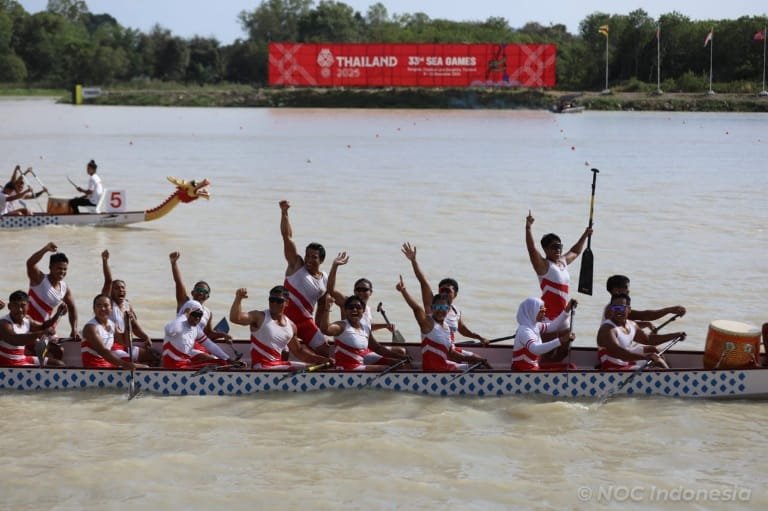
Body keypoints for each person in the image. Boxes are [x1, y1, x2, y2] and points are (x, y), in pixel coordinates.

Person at [400, 242, 487, 346]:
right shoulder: (432, 304)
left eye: (448, 291)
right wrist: (413, 261)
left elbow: (463, 330)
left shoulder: (456, 311)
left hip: (450, 350)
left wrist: (480, 337)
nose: (444, 293)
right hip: (435, 349)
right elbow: (423, 281)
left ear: (455, 295)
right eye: (442, 290)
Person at [396, 275, 489, 371]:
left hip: (445, 365)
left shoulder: (446, 328)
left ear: (448, 310)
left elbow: (451, 354)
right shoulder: (427, 323)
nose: (440, 311)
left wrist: (474, 359)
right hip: (433, 370)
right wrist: (404, 291)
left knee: (482, 363)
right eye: (437, 307)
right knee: (480, 366)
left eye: (444, 308)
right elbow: (416, 309)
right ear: (432, 308)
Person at [229, 286, 330, 369]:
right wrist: (238, 298)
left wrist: (322, 360)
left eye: (279, 301)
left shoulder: (291, 326)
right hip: (261, 367)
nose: (274, 303)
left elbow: (299, 352)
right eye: (272, 300)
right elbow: (235, 318)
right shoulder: (259, 317)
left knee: (316, 367)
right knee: (300, 369)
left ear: (287, 303)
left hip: (278, 365)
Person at [278, 200, 331, 356]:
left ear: (321, 260)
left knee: (325, 351)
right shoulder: (296, 265)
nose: (308, 259)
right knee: (285, 353)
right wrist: (284, 213)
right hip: (284, 320)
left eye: (313, 257)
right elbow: (287, 237)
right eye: (307, 255)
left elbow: (321, 308)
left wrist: (321, 332)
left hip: (306, 322)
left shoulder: (325, 279)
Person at [169, 251, 238, 362]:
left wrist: (223, 335)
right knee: (215, 360)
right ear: (192, 292)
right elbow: (178, 283)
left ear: (207, 297)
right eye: (198, 290)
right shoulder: (185, 303)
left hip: (199, 345)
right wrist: (174, 264)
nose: (201, 293)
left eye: (204, 291)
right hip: (183, 345)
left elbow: (208, 334)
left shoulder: (208, 313)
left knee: (218, 359)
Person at [525, 210, 592, 320]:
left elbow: (575, 252)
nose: (558, 249)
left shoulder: (563, 261)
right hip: (548, 318)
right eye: (554, 247)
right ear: (545, 249)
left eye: (559, 246)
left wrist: (585, 234)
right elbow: (531, 249)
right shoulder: (543, 266)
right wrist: (528, 228)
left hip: (563, 315)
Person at [317, 294, 408, 371]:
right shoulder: (342, 326)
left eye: (358, 307)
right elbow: (325, 329)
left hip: (361, 362)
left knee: (398, 363)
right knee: (384, 368)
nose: (354, 310)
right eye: (351, 307)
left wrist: (400, 357)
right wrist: (327, 308)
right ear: (345, 310)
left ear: (363, 310)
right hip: (346, 368)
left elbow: (377, 348)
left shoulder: (365, 325)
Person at [596, 294, 686, 370]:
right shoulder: (607, 329)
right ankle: (668, 378)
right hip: (612, 367)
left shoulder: (631, 325)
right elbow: (621, 353)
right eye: (616, 308)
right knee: (653, 360)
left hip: (625, 361)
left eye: (622, 308)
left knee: (654, 352)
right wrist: (646, 357)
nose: (618, 311)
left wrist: (675, 335)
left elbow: (648, 340)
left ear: (629, 309)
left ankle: (668, 374)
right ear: (611, 309)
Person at [101, 250, 158, 365]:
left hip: (126, 345)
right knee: (132, 362)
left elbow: (135, 327)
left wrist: (145, 337)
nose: (121, 290)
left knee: (155, 356)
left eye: (123, 288)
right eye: (117, 288)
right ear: (111, 291)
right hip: (111, 346)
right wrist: (105, 261)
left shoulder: (127, 305)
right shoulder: (108, 303)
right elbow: (108, 281)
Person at [325, 251, 394, 333]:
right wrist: (335, 266)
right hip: (348, 341)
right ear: (354, 291)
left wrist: (384, 326)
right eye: (358, 290)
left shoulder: (367, 309)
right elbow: (330, 290)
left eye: (365, 290)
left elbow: (365, 327)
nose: (361, 292)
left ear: (371, 292)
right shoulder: (346, 302)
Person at [26, 242, 79, 342]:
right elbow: (30, 263)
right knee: (54, 352)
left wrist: (74, 329)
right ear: (50, 267)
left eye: (65, 269)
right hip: (29, 326)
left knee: (59, 352)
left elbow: (72, 308)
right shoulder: (39, 279)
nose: (62, 272)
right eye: (59, 268)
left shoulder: (64, 287)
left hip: (46, 327)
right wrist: (45, 249)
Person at [81, 295, 148, 370]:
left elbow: (126, 343)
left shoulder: (112, 324)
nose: (102, 309)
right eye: (98, 306)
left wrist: (127, 323)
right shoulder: (90, 328)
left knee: (146, 367)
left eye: (106, 306)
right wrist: (125, 364)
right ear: (94, 308)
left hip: (108, 365)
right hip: (94, 369)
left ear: (111, 309)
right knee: (144, 368)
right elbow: (104, 352)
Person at [0, 290, 65, 367]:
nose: (20, 310)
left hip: (22, 359)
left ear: (28, 306)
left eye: (22, 305)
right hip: (7, 363)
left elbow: (43, 326)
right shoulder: (4, 323)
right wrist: (42, 333)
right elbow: (16, 340)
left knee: (59, 364)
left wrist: (58, 314)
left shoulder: (27, 319)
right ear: (9, 306)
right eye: (16, 305)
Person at [511, 297, 576, 371]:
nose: (544, 314)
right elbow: (536, 349)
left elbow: (553, 326)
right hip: (522, 372)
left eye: (544, 310)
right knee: (569, 370)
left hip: (533, 369)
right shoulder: (524, 331)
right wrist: (561, 340)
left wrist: (567, 309)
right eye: (541, 311)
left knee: (571, 367)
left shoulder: (535, 326)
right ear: (532, 311)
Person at [161, 300, 230, 369]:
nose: (197, 318)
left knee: (222, 362)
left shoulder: (196, 329)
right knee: (218, 365)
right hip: (173, 367)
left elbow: (210, 345)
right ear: (188, 314)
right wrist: (184, 315)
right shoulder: (177, 325)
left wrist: (228, 359)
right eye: (195, 315)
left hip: (186, 364)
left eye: (200, 315)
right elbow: (169, 330)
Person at [604, 275, 686, 328]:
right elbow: (621, 325)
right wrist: (646, 324)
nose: (629, 291)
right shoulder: (611, 309)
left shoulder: (620, 307)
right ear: (616, 291)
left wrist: (669, 310)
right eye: (626, 288)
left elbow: (644, 315)